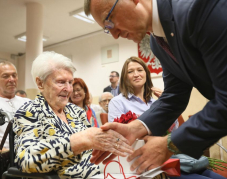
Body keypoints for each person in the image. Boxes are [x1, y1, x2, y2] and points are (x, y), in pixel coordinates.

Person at [84, 0, 227, 174]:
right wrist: (134, 128)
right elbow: (174, 95)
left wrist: (170, 144)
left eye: (110, 19)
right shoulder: (156, 42)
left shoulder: (198, 8)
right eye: (107, 29)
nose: (114, 34)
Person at [13, 51, 133, 178]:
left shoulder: (75, 111)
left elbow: (92, 149)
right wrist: (78, 142)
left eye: (70, 82)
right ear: (40, 83)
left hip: (99, 171)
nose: (68, 89)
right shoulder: (30, 112)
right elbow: (26, 161)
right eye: (61, 82)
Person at [108, 56, 224, 179]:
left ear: (146, 74)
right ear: (125, 77)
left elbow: (174, 131)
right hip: (149, 160)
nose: (136, 74)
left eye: (140, 70)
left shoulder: (156, 102)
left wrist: (167, 105)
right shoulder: (117, 102)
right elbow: (118, 137)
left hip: (172, 155)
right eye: (130, 72)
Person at [0, 61, 29, 161]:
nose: (11, 79)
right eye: (5, 76)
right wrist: (8, 154)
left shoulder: (29, 104)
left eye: (14, 75)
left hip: (27, 164)